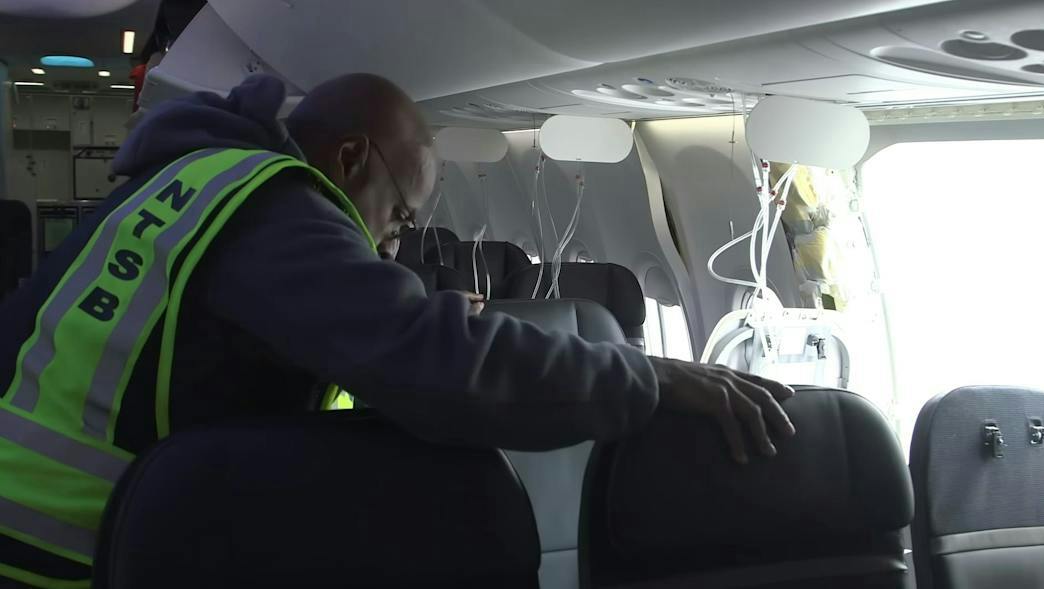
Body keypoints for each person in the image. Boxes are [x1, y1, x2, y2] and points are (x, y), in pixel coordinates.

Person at [0, 73, 793, 588]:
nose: (392, 243)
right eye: (399, 217)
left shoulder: (195, 180)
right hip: (62, 551)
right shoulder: (274, 203)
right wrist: (647, 377)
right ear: (350, 158)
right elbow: (439, 369)